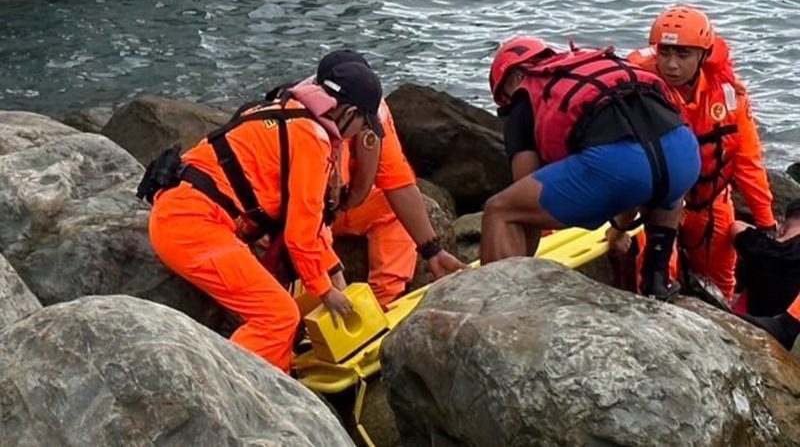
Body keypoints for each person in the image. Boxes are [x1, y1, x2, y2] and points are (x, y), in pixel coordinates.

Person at [140, 58, 385, 373]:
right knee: (279, 316)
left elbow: (310, 224)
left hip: (185, 213)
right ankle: (221, 386)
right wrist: (325, 291)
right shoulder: (312, 139)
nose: (359, 133)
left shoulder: (285, 109)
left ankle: (275, 371)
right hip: (193, 226)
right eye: (363, 124)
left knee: (278, 312)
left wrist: (333, 271)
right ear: (348, 113)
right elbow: (301, 233)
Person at [482, 36, 701, 300]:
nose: (509, 104)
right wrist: (619, 229)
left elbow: (525, 192)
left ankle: (501, 303)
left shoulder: (526, 93)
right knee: (662, 184)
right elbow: (642, 160)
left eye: (504, 98)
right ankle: (657, 281)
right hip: (684, 152)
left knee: (501, 210)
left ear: (514, 77)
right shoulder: (596, 65)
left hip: (620, 166)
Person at [273, 50, 466, 307]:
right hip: (292, 216)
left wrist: (432, 250)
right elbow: (301, 216)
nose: (366, 123)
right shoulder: (300, 120)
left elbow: (399, 184)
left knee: (393, 208)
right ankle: (302, 317)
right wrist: (330, 279)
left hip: (339, 208)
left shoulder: (372, 111)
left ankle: (381, 303)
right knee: (300, 245)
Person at [625, 6, 775, 300]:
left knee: (721, 283)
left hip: (710, 201)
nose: (671, 65)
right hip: (655, 202)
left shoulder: (728, 95)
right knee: (654, 275)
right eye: (664, 53)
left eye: (683, 55)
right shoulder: (637, 87)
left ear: (703, 56)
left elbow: (748, 161)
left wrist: (766, 221)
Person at [730, 199, 800, 317]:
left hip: (750, 317)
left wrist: (771, 233)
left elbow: (736, 226)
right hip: (786, 327)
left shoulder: (764, 249)